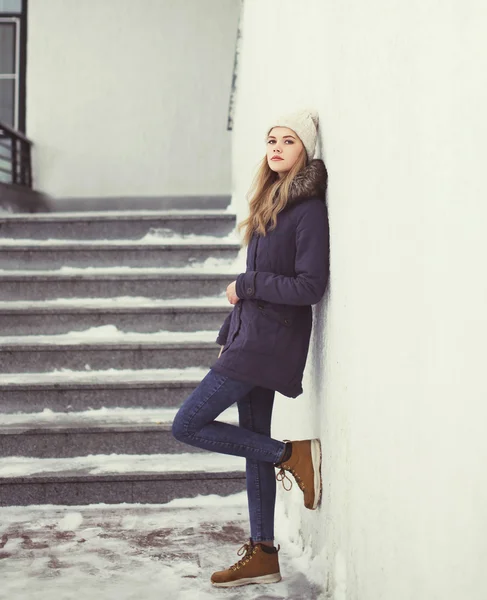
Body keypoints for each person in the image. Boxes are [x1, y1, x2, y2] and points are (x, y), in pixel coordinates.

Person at [171, 108, 330, 588]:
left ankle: (291, 454)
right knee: (250, 446)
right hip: (249, 340)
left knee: (187, 424)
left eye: (289, 141)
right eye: (272, 140)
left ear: (305, 152)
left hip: (269, 344)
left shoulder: (306, 210)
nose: (278, 147)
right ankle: (263, 552)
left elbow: (309, 286)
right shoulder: (270, 203)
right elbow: (251, 292)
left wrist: (247, 282)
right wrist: (228, 334)